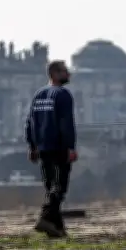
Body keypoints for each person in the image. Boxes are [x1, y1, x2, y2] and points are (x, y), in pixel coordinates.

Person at [25, 60, 77, 238]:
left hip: (42, 148)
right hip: (58, 146)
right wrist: (70, 147)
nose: (68, 74)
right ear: (55, 74)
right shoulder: (63, 95)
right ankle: (45, 216)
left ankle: (57, 230)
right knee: (59, 187)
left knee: (51, 187)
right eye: (65, 71)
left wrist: (32, 146)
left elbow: (30, 123)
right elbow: (66, 124)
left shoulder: (38, 95)